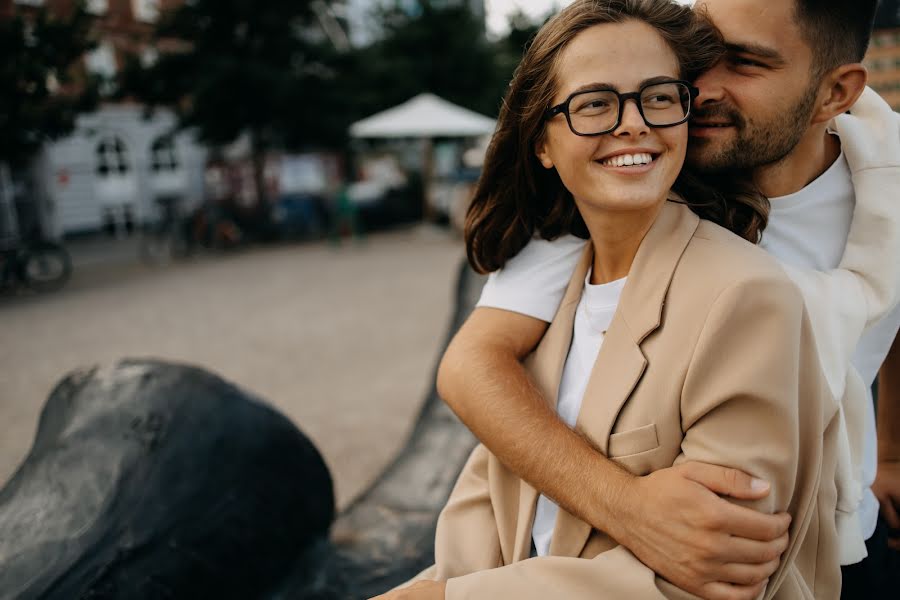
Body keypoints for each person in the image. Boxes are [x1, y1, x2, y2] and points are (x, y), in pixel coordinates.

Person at [374, 0, 842, 597]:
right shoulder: (556, 293)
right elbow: (491, 502)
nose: (633, 123)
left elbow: (721, 575)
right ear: (541, 143)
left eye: (658, 97)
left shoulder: (745, 296)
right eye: (595, 103)